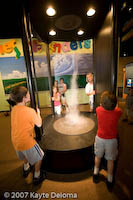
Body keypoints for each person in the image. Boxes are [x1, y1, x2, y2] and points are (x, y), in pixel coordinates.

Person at [10, 86, 46, 185]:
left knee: (24, 154)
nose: (30, 95)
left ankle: (26, 168)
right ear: (24, 98)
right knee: (40, 157)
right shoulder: (30, 111)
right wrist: (38, 113)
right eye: (28, 94)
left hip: (15, 140)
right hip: (26, 141)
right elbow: (39, 124)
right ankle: (37, 175)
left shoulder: (14, 109)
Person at [93, 91, 122, 191]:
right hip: (112, 141)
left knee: (98, 156)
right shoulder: (118, 112)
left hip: (100, 138)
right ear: (114, 104)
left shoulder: (98, 110)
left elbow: (100, 106)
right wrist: (115, 105)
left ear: (101, 103)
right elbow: (118, 109)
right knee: (110, 160)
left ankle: (95, 174)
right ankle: (110, 180)